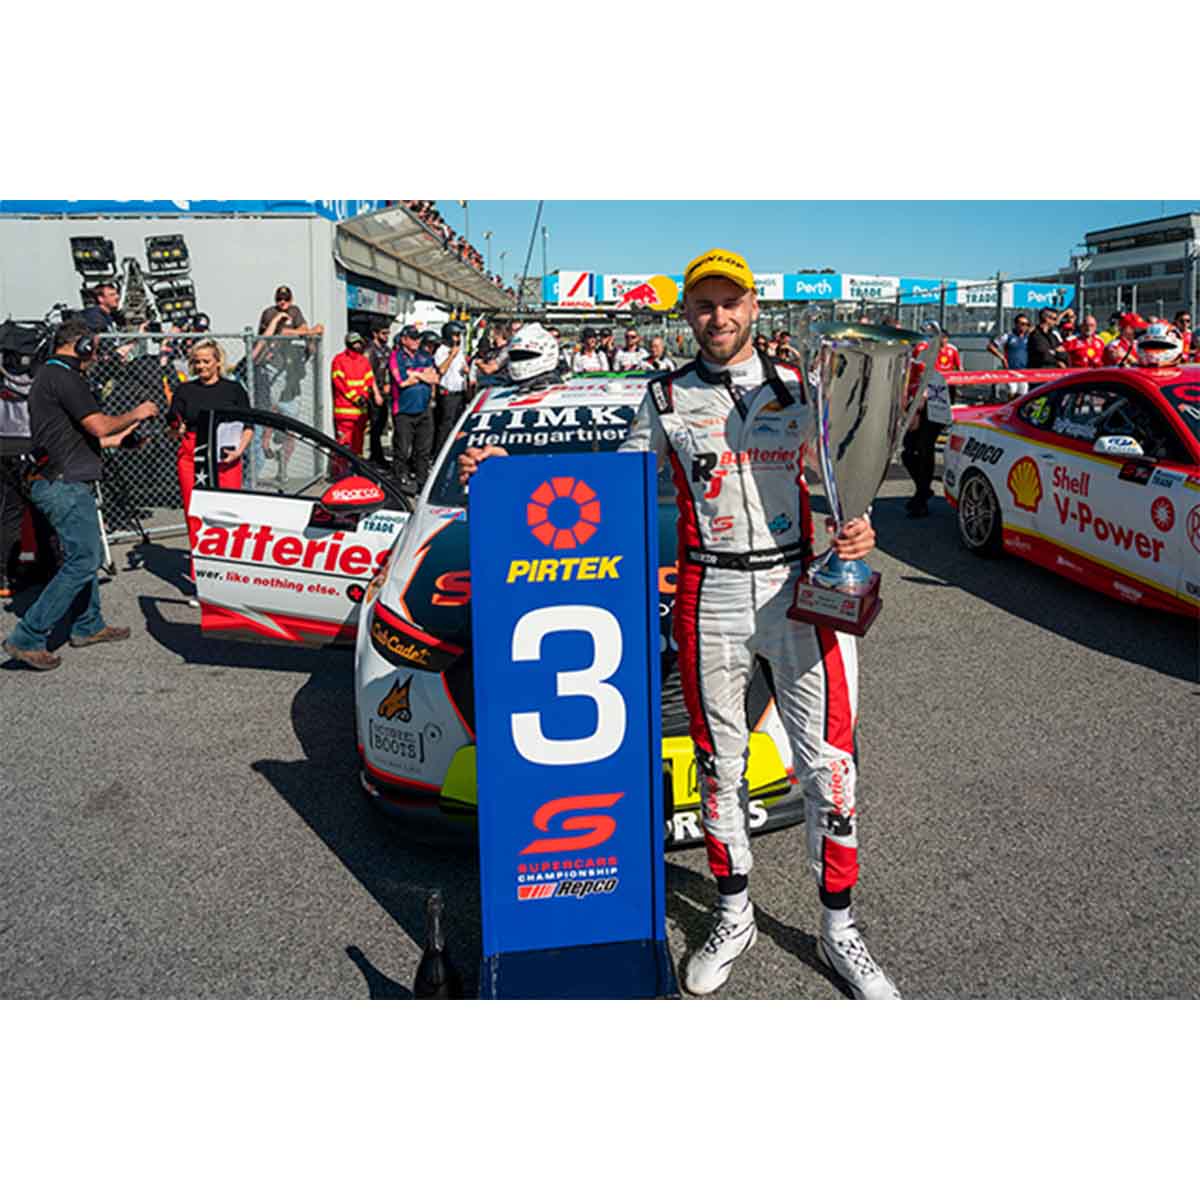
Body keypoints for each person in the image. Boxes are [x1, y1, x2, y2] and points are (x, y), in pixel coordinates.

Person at [457, 248, 897, 1000]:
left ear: (753, 307)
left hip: (797, 585)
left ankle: (839, 927)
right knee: (719, 764)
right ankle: (734, 913)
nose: (718, 317)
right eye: (704, 304)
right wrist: (509, 472)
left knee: (830, 767)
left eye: (731, 302)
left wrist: (856, 526)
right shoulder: (664, 397)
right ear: (687, 312)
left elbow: (843, 474)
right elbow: (611, 484)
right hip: (709, 591)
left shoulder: (803, 387)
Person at [2, 320, 157, 670]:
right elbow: (98, 425)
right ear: (81, 345)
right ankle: (27, 637)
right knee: (84, 559)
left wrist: (123, 440)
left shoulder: (51, 375)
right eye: (94, 348)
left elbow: (84, 438)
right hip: (63, 483)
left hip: (61, 478)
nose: (96, 356)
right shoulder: (64, 376)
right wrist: (137, 412)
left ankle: (88, 624)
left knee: (84, 554)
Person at [167, 340, 252, 593]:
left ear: (217, 362)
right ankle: (201, 580)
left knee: (227, 515)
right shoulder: (184, 390)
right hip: (192, 456)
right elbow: (173, 426)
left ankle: (228, 573)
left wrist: (240, 450)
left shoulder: (234, 390)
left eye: (206, 361)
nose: (201, 366)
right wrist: (176, 429)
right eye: (197, 362)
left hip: (226, 456)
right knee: (196, 516)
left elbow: (249, 425)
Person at [253, 285, 323, 483]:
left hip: (293, 377)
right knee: (272, 412)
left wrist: (307, 333)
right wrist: (309, 331)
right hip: (274, 370)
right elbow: (284, 331)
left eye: (286, 299)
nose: (282, 302)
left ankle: (283, 468)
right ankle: (264, 448)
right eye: (279, 299)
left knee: (291, 428)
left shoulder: (295, 310)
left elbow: (303, 330)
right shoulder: (270, 313)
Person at [901, 332, 956, 519]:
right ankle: (923, 489)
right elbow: (913, 378)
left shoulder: (951, 351)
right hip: (920, 404)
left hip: (938, 406)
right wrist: (911, 405)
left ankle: (921, 497)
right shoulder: (921, 351)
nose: (943, 342)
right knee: (908, 451)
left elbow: (954, 377)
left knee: (926, 448)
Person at [389, 324, 438, 493]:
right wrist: (422, 374)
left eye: (418, 338)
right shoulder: (396, 356)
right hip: (404, 411)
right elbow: (402, 381)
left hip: (424, 409)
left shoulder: (424, 355)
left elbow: (435, 378)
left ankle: (422, 481)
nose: (417, 341)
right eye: (413, 338)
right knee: (402, 449)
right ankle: (399, 480)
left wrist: (414, 373)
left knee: (423, 450)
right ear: (404, 340)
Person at [330, 331, 383, 471]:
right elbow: (340, 383)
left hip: (361, 412)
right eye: (355, 343)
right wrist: (356, 398)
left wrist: (372, 395)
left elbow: (369, 380)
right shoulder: (339, 360)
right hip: (345, 411)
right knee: (344, 444)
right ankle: (340, 472)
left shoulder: (363, 360)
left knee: (358, 445)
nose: (357, 345)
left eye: (359, 342)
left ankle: (356, 471)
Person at [433, 320, 468, 453]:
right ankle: (439, 452)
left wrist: (465, 369)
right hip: (448, 393)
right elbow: (441, 370)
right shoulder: (441, 351)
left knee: (458, 424)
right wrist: (451, 356)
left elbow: (463, 367)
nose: (458, 338)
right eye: (456, 335)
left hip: (460, 392)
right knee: (446, 425)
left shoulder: (459, 350)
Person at [366, 323, 392, 466]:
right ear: (375, 334)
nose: (386, 336)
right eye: (383, 333)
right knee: (375, 425)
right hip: (374, 393)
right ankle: (376, 457)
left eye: (388, 333)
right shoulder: (370, 351)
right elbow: (368, 374)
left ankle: (377, 456)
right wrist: (376, 393)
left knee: (382, 424)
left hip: (385, 392)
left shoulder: (387, 350)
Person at [988, 313, 1031, 397]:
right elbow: (990, 347)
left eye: (1027, 324)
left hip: (1024, 370)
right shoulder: (1008, 336)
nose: (1025, 326)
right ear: (1016, 324)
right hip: (1010, 369)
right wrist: (1002, 358)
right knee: (1012, 390)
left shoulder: (1028, 337)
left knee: (1023, 393)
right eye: (1022, 324)